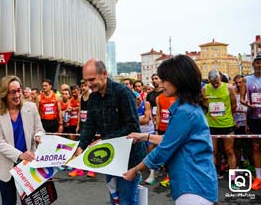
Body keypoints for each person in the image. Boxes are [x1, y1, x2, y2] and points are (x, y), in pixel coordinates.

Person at [123, 55, 218, 205]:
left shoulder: (185, 112)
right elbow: (173, 139)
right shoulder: (187, 107)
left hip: (192, 186)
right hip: (195, 183)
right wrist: (145, 137)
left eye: (164, 79)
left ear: (179, 79)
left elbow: (165, 148)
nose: (161, 83)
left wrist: (135, 170)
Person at [75, 59, 146, 205]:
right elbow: (90, 125)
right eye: (86, 80)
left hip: (129, 159)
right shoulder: (93, 97)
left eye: (92, 79)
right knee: (115, 199)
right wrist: (81, 145)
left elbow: (132, 126)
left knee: (127, 201)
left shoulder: (123, 93)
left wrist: (105, 140)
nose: (88, 84)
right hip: (109, 158)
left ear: (105, 74)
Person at [0, 75, 45, 205]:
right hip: (4, 166)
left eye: (19, 90)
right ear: (4, 94)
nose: (17, 95)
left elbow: (39, 129)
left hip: (28, 164)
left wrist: (38, 136)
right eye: (13, 92)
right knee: (8, 201)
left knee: (32, 202)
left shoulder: (31, 107)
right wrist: (20, 155)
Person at [202, 69, 237, 182]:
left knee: (229, 150)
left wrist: (227, 115)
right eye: (213, 83)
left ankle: (233, 176)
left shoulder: (229, 87)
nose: (216, 85)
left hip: (226, 123)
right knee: (213, 151)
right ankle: (214, 175)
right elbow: (204, 104)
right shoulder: (205, 89)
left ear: (220, 78)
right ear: (209, 81)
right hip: (211, 124)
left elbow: (234, 105)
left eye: (217, 82)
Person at [240, 52, 261, 190]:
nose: (259, 65)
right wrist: (248, 105)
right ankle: (259, 177)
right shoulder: (246, 80)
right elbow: (241, 99)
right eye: (257, 62)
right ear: (253, 64)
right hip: (253, 117)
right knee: (256, 147)